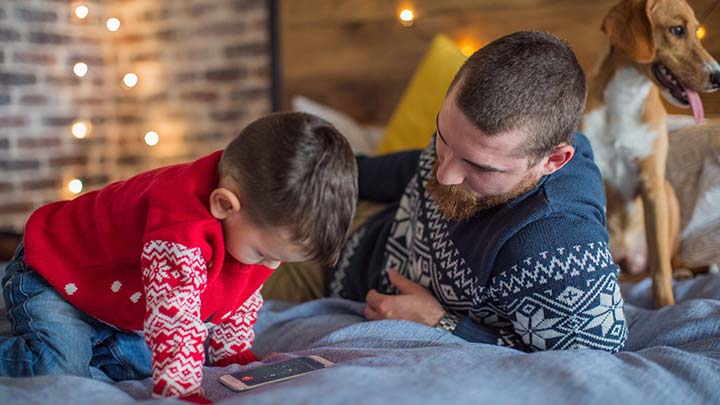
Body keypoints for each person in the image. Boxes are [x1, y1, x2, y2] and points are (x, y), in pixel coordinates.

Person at [266, 31, 627, 353]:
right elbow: (414, 168)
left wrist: (442, 324)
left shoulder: (555, 247)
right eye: (443, 138)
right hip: (362, 222)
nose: (445, 173)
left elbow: (593, 361)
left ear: (554, 160)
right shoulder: (472, 139)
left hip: (326, 276)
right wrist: (323, 175)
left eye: (480, 166)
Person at [0, 112, 358, 402]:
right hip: (53, 275)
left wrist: (230, 355)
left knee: (141, 367)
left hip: (116, 299)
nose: (268, 266)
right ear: (223, 204)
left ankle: (94, 338)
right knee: (62, 370)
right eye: (264, 254)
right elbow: (175, 316)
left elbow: (240, 292)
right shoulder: (180, 227)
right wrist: (181, 391)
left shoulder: (251, 214)